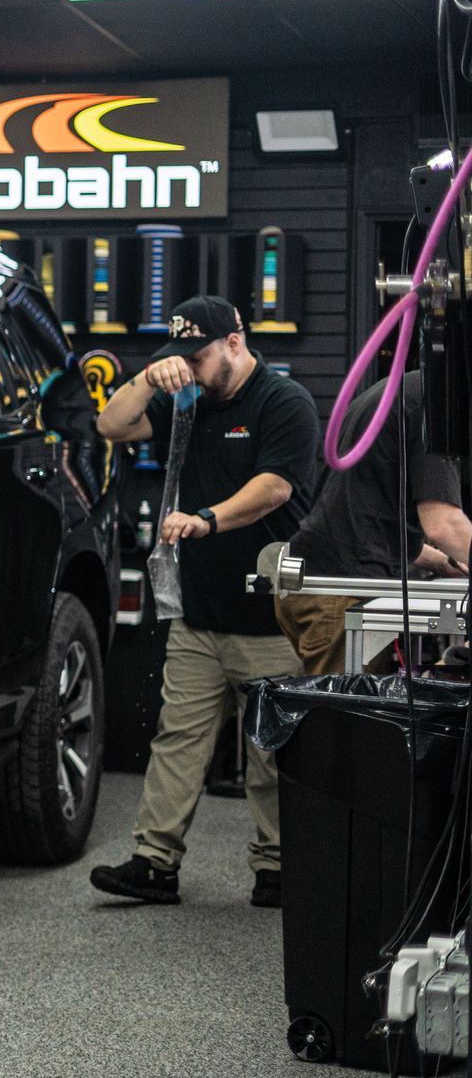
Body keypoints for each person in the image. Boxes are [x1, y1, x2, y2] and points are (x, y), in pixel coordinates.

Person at [87, 296, 319, 909]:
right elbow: (111, 425)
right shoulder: (186, 404)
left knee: (271, 753)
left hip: (270, 617)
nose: (188, 367)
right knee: (178, 740)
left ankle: (278, 869)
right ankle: (154, 864)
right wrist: (147, 376)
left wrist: (207, 519)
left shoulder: (284, 401)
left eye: (198, 355)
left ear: (235, 343)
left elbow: (275, 487)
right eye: (181, 358)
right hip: (198, 613)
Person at [277, 372, 472, 674]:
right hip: (338, 594)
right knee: (348, 704)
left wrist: (438, 561)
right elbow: (444, 525)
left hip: (321, 579)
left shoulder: (404, 390)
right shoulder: (434, 408)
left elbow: (368, 511)